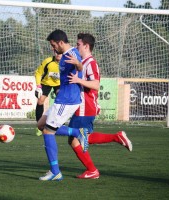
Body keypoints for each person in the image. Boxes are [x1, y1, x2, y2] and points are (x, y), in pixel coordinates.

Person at [38, 33, 132, 180]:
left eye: (79, 44)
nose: (76, 46)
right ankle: (110, 143)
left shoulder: (90, 63)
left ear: (86, 46)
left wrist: (78, 80)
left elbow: (95, 85)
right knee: (75, 136)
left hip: (84, 106)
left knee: (77, 138)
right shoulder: (78, 58)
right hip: (78, 104)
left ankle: (94, 165)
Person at [39, 29, 87, 181]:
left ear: (60, 42)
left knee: (48, 132)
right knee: (41, 125)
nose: (53, 48)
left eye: (53, 45)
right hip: (63, 97)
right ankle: (75, 131)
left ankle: (55, 172)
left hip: (67, 100)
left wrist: (78, 64)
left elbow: (80, 67)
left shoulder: (71, 55)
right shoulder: (64, 55)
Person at [34, 50, 62, 136]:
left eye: (60, 53)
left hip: (59, 84)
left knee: (60, 100)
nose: (58, 54)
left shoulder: (66, 63)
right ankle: (39, 126)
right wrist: (38, 86)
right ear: (54, 53)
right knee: (40, 101)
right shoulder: (48, 61)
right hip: (46, 83)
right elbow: (38, 73)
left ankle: (58, 124)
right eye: (56, 52)